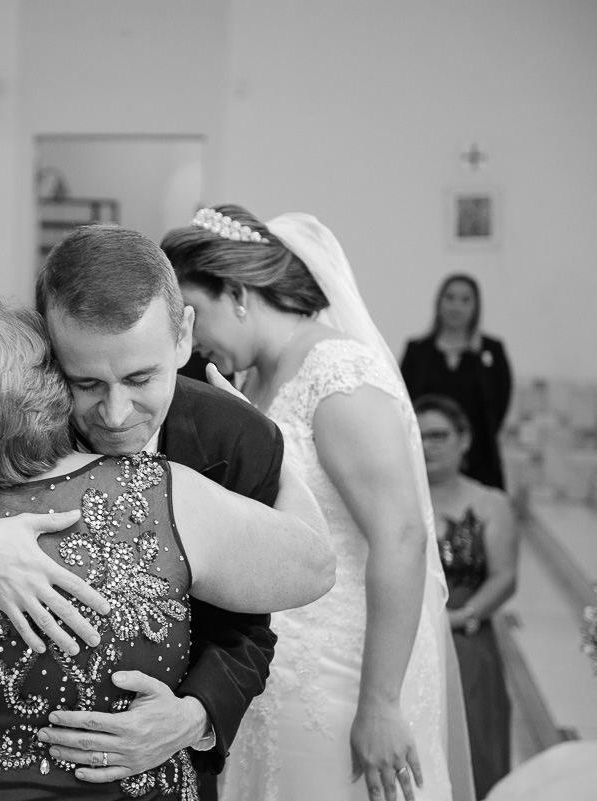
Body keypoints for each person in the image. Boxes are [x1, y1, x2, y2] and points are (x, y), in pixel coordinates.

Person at [0, 225, 327, 796]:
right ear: (48, 348)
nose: (115, 413)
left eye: (141, 378)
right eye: (85, 383)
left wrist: (194, 716)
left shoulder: (236, 436)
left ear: (184, 336)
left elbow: (249, 623)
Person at [161, 205, 470, 801]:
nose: (189, 337)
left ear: (237, 293)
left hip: (344, 675)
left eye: (193, 313)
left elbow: (401, 535)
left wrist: (380, 703)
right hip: (274, 672)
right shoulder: (254, 378)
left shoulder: (337, 374)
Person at [417, 393, 517, 799]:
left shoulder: (490, 502)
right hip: (409, 630)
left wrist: (460, 617)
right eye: (419, 435)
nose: (428, 445)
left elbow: (504, 578)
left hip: (467, 635)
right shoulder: (399, 495)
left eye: (439, 435)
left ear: (465, 439)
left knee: (474, 740)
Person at [400, 274, 512, 490]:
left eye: (465, 299)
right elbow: (405, 404)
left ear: (476, 306)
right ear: (439, 302)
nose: (456, 306)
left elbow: (499, 406)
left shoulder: (491, 352)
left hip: (479, 460)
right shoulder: (417, 351)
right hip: (425, 459)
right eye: (450, 297)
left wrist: (462, 443)